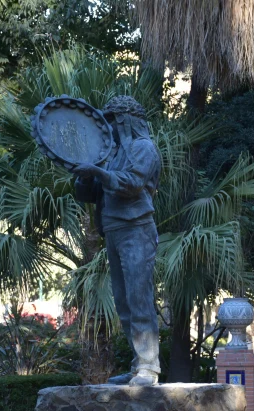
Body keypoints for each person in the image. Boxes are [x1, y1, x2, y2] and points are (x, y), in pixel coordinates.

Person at [71, 96, 161, 386]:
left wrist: (97, 171)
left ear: (125, 120)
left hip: (137, 229)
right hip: (114, 231)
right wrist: (84, 176)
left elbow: (131, 184)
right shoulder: (109, 155)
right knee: (123, 301)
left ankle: (149, 366)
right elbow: (88, 194)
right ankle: (138, 365)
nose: (108, 126)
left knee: (139, 298)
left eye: (112, 120)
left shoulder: (143, 148)